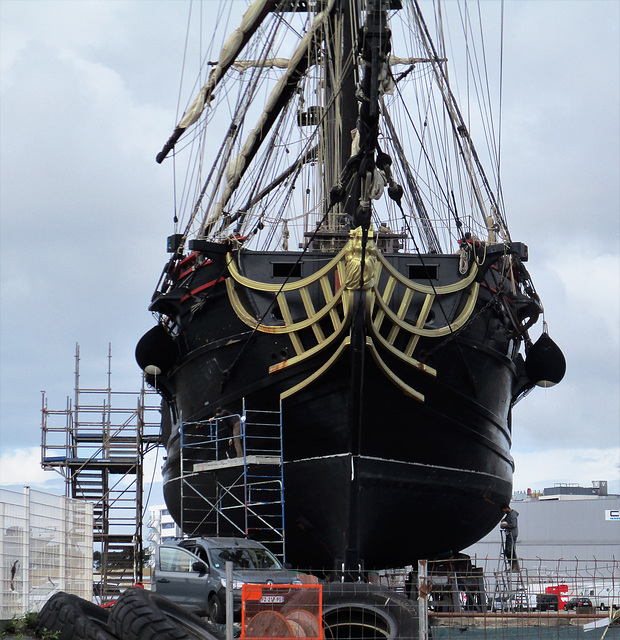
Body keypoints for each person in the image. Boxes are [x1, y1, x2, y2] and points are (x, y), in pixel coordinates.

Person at [500, 503, 519, 571]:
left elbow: (513, 525)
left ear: (506, 508)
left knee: (510, 550)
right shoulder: (508, 515)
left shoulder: (512, 515)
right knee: (507, 551)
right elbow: (506, 520)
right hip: (509, 534)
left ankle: (515, 566)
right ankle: (512, 565)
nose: (504, 513)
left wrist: (506, 526)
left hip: (512, 534)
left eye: (504, 511)